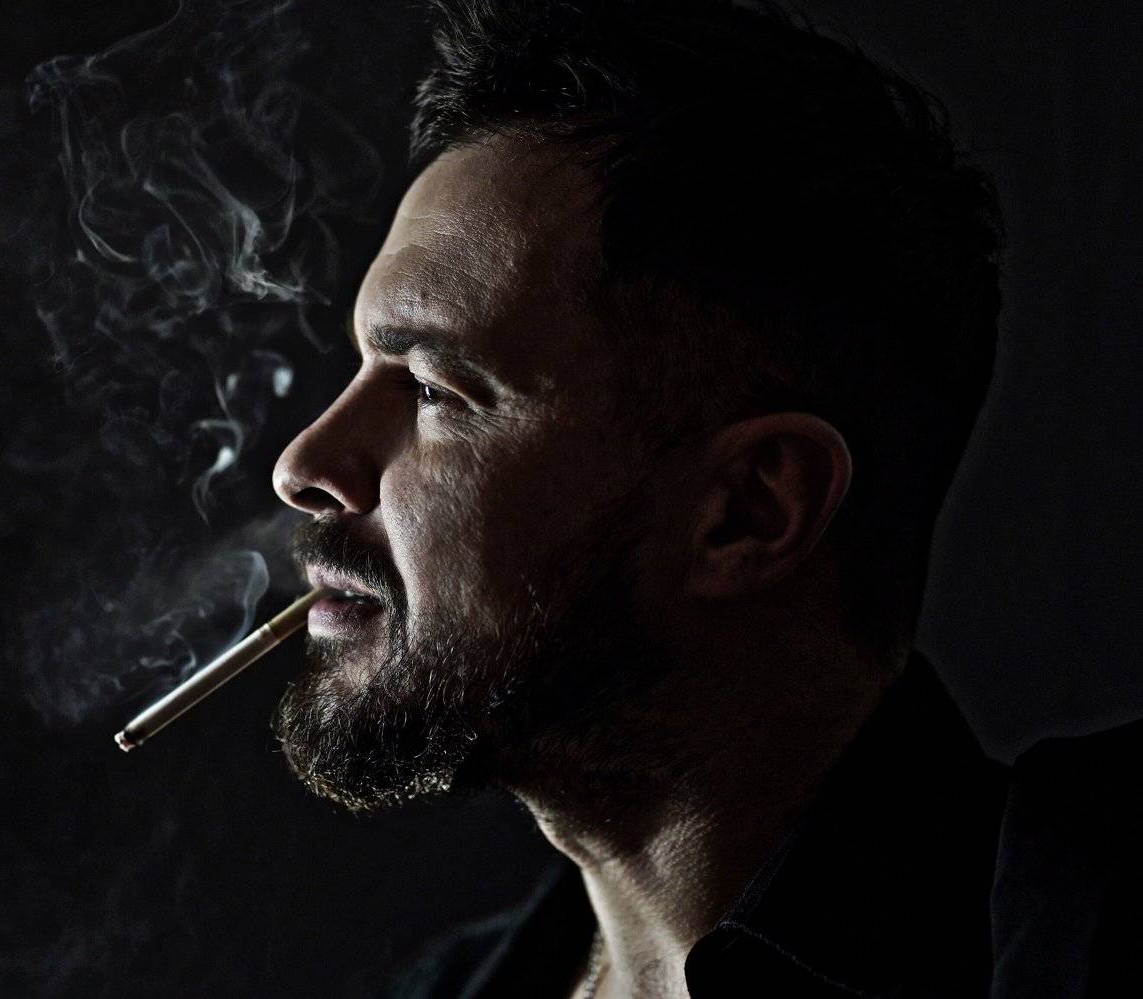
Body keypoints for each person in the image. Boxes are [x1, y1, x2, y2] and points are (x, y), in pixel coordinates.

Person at [266, 1, 1134, 995]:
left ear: (746, 511)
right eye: (365, 369)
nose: (304, 462)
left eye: (433, 389)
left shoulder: (1076, 937)